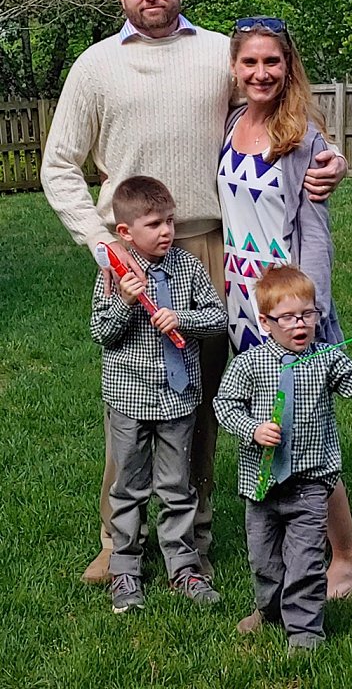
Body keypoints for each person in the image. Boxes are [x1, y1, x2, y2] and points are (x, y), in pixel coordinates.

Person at [40, 0, 346, 585]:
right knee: (133, 394)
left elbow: (278, 105)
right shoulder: (96, 65)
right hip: (131, 256)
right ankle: (116, 539)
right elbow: (58, 165)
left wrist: (330, 155)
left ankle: (193, 540)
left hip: (216, 249)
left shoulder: (216, 53)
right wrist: (103, 246)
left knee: (204, 402)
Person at [217, 16, 352, 599]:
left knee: (307, 433)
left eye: (272, 62)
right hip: (245, 304)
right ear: (235, 68)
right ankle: (281, 541)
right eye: (250, 62)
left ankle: (348, 556)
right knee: (267, 427)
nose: (261, 73)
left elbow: (317, 231)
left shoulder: (301, 135)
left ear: (289, 67)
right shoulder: (233, 123)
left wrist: (309, 313)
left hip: (290, 311)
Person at [213, 265, 352, 649]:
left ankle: (305, 630)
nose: (300, 325)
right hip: (261, 485)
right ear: (266, 322)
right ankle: (269, 611)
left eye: (308, 314)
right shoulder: (249, 364)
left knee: (306, 562)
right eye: (289, 318)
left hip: (309, 485)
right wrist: (252, 429)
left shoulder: (325, 359)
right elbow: (224, 405)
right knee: (264, 561)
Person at [90, 176, 227, 612]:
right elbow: (101, 333)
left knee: (177, 486)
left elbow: (216, 318)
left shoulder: (188, 268)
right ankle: (125, 570)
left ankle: (183, 567)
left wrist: (183, 319)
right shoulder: (115, 275)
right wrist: (125, 303)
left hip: (178, 399)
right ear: (125, 232)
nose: (166, 231)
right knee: (128, 488)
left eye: (170, 221)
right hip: (129, 402)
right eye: (154, 224)